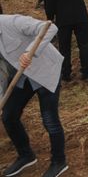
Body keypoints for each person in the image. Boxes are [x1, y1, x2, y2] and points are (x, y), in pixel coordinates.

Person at [0, 13, 69, 177]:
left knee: (49, 120)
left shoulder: (11, 21)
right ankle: (26, 155)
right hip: (22, 78)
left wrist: (29, 52)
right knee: (9, 116)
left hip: (45, 71)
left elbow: (50, 27)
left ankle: (59, 162)